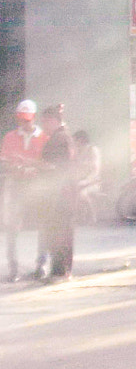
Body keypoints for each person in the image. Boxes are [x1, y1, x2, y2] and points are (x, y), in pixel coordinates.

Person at [1, 100, 42, 281]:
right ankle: (13, 267)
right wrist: (13, 166)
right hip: (17, 186)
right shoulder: (10, 137)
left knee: (42, 226)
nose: (24, 124)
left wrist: (33, 168)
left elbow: (47, 163)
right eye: (21, 120)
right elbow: (3, 160)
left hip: (37, 187)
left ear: (34, 118)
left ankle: (41, 264)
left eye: (27, 120)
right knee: (12, 228)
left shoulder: (44, 138)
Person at [35, 103, 76, 281]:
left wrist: (38, 166)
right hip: (62, 192)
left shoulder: (60, 138)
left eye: (44, 122)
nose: (43, 126)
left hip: (61, 193)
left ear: (53, 121)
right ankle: (60, 270)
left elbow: (59, 167)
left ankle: (61, 271)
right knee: (60, 232)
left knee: (60, 232)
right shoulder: (62, 137)